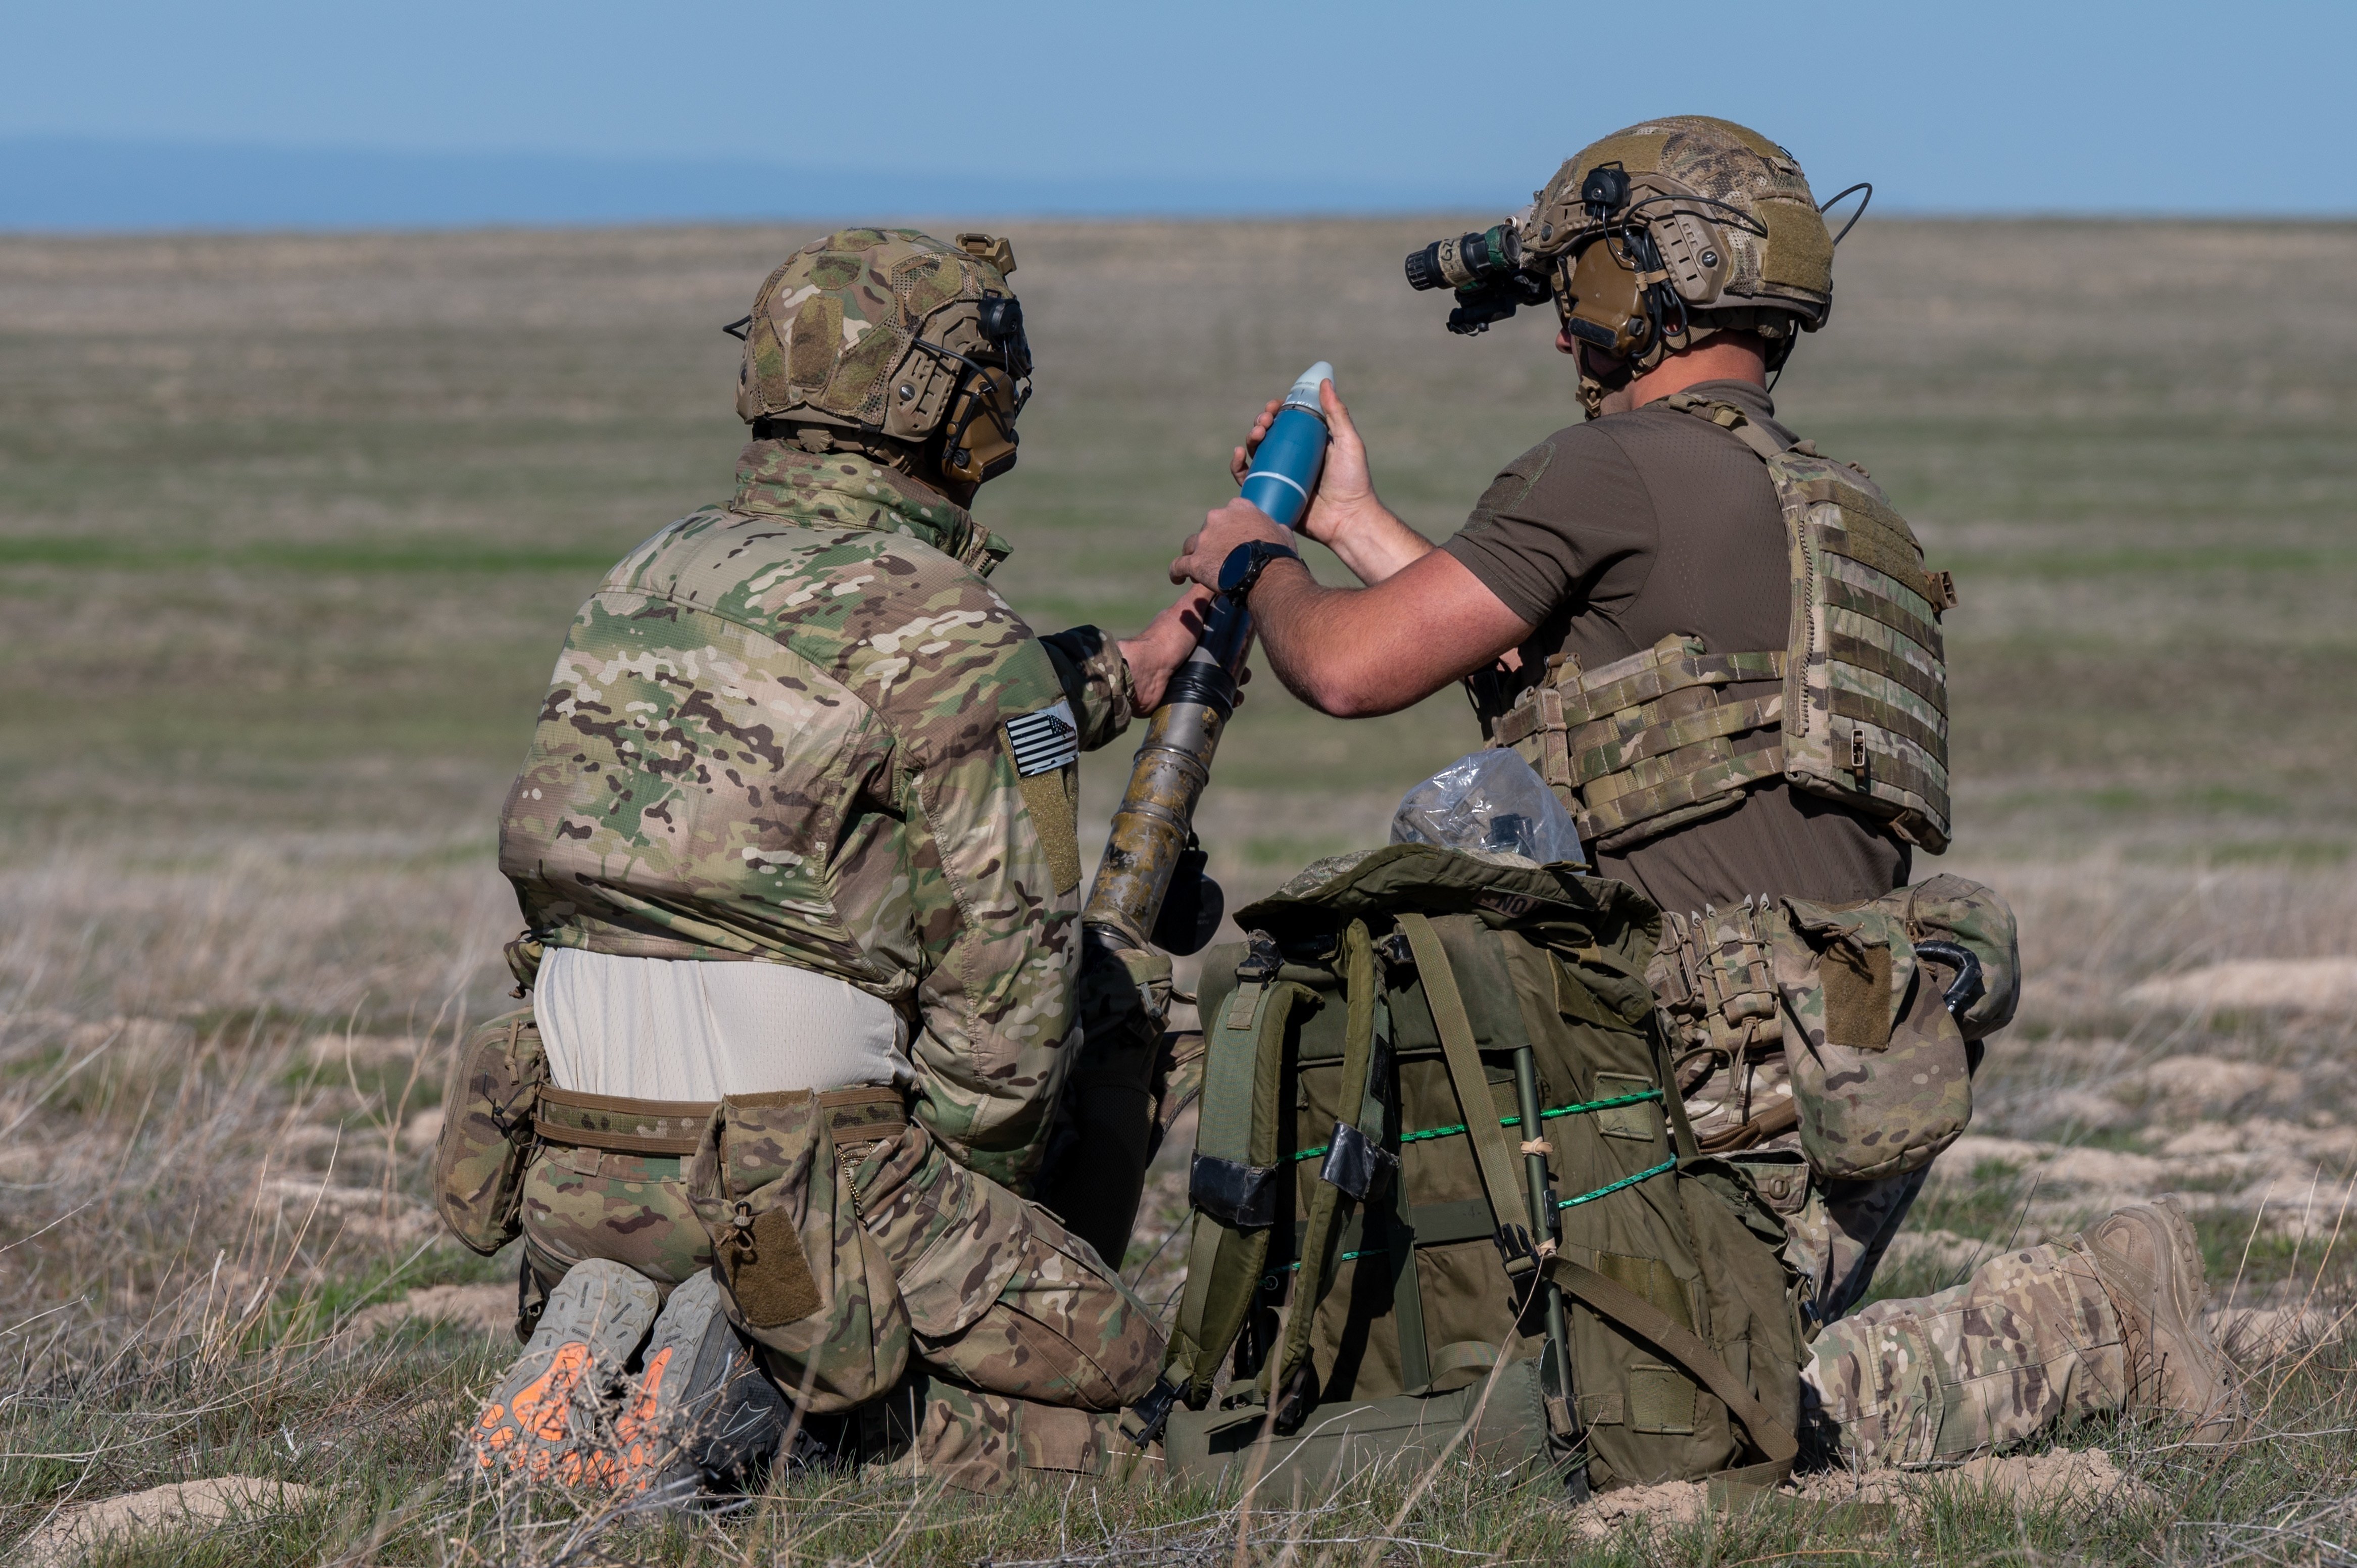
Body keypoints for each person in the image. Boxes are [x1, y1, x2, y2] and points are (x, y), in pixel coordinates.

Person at [1168, 117, 2243, 1468]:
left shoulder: (1604, 469)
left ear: (1639, 280)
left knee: (1663, 1433)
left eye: (1573, 289)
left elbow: (1347, 667)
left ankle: (2095, 1315)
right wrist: (1349, 525)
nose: (1562, 338)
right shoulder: (1835, 508)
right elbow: (1565, 686)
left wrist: (1260, 558)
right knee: (1613, 1402)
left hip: (1692, 1069)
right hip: (1848, 1064)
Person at [460, 228, 1197, 1496]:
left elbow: (878, 712)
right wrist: (971, 1220)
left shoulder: (651, 572)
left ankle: (635, 1346)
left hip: (581, 1165)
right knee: (1127, 1402)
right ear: (956, 401)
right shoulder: (953, 631)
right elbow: (1009, 1030)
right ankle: (759, 1407)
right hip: (799, 1181)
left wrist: (1121, 671)